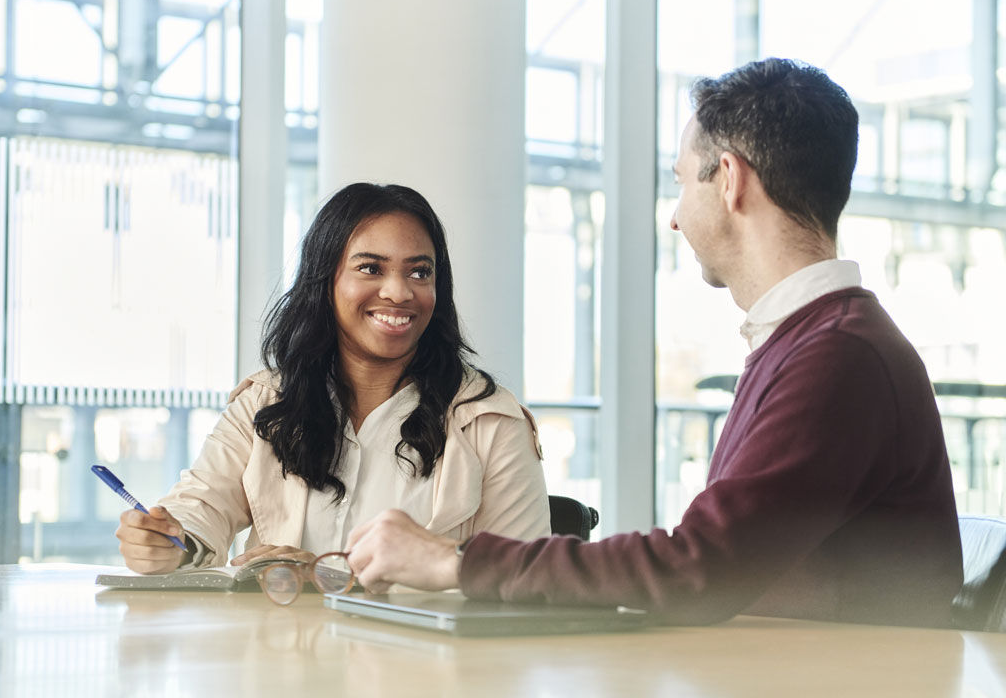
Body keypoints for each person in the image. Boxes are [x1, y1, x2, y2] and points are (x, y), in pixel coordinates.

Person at [344, 58, 964, 628]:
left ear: (729, 180)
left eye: (679, 183)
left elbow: (696, 568)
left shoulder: (840, 358)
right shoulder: (817, 343)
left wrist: (454, 562)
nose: (674, 216)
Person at [114, 182, 550, 575]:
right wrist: (172, 541)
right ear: (325, 281)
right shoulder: (268, 400)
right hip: (275, 655)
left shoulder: (491, 422)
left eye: (420, 272)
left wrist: (327, 579)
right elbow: (202, 504)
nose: (399, 292)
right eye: (370, 268)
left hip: (423, 663)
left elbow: (522, 577)